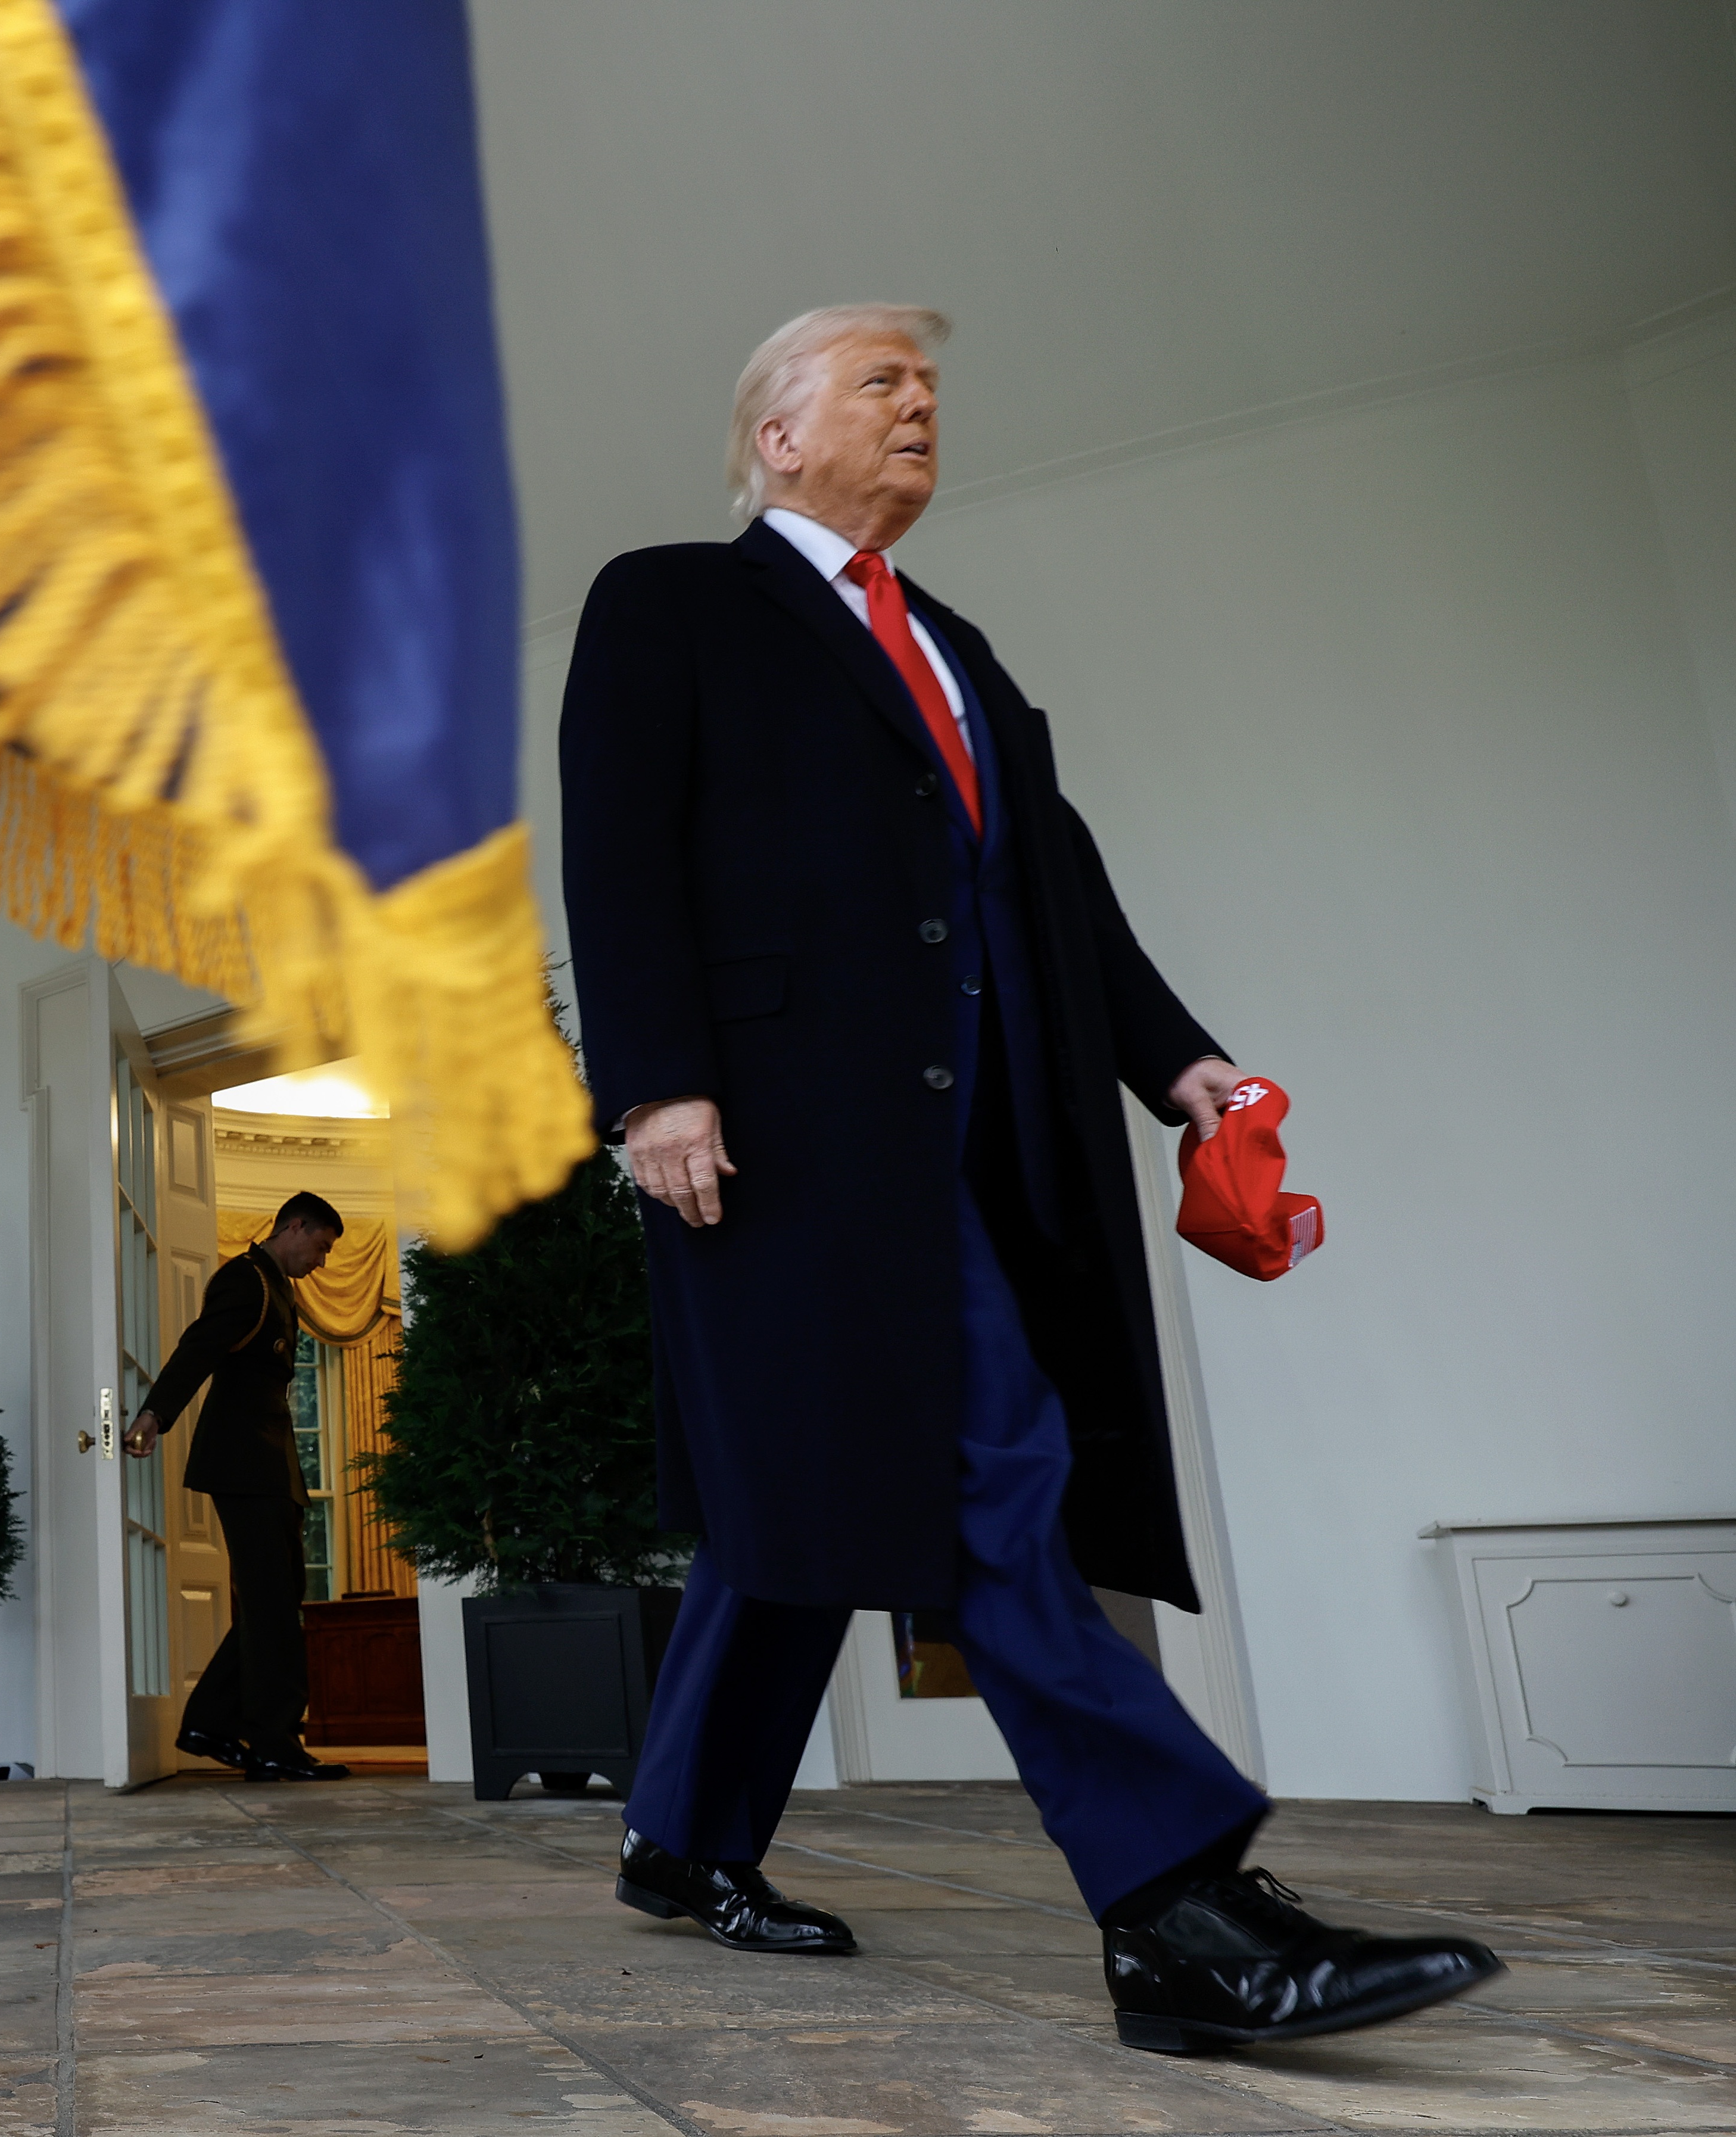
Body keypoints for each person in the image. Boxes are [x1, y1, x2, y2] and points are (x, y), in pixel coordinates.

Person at [558, 304, 1500, 2054]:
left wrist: (1177, 1061)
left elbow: (1049, 882)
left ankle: (678, 1835)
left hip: (991, 1138)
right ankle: (1174, 1904)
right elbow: (615, 845)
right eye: (879, 380)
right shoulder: (667, 601)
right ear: (776, 435)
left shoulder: (956, 647)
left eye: (928, 383)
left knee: (797, 1493)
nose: (921, 402)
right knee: (989, 1468)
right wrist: (655, 1085)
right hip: (783, 1141)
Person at [123, 1190, 348, 1783]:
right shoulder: (246, 1280)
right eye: (321, 1247)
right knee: (271, 1603)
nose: (321, 1261)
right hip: (244, 1464)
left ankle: (210, 1723)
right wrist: (155, 1414)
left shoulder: (278, 1287)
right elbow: (199, 1348)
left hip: (269, 1466)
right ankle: (274, 1743)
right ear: (294, 1227)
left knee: (277, 1599)